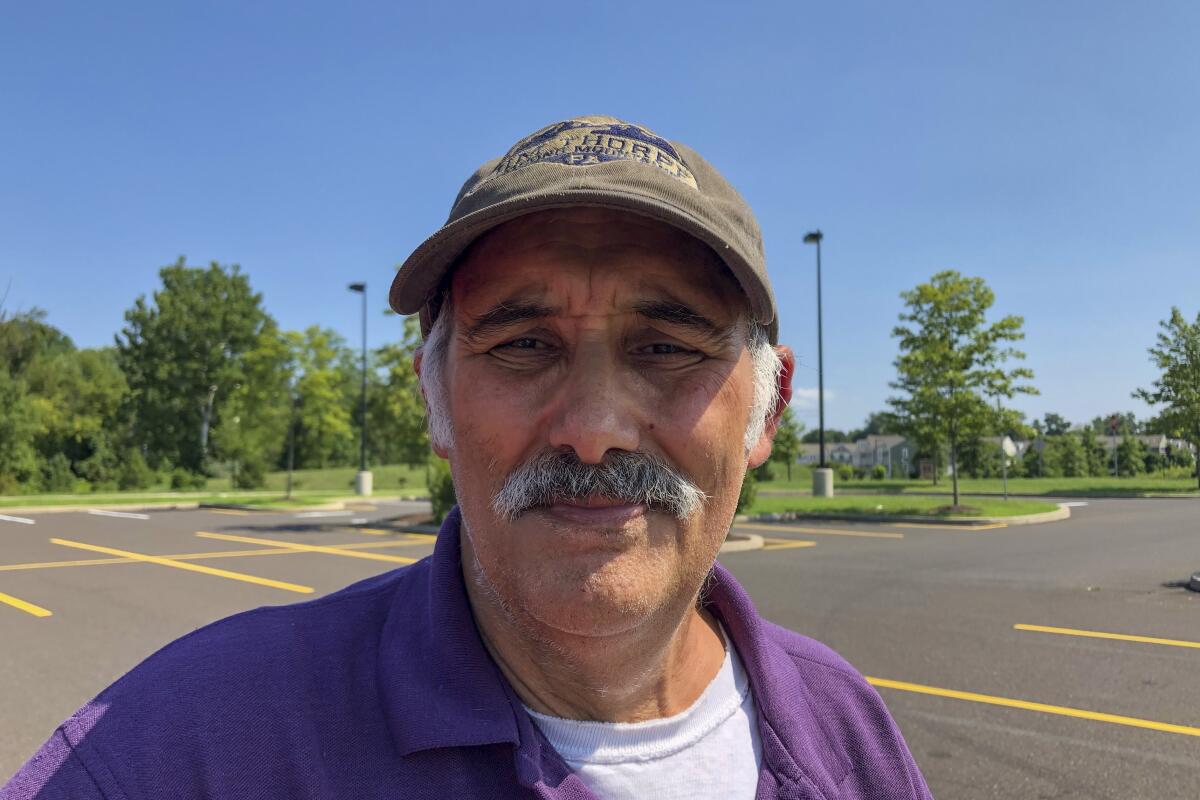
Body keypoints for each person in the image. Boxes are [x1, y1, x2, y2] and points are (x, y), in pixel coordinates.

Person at [2, 116, 932, 799]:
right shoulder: (188, 744)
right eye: (524, 345)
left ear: (766, 406)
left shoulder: (843, 724)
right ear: (434, 400)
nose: (595, 427)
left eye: (668, 346)